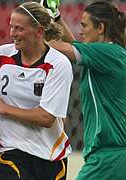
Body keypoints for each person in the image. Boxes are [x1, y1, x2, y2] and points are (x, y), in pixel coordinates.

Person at [0, 2, 73, 179]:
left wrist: (4, 108)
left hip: (49, 155)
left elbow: (46, 118)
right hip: (9, 149)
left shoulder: (58, 64)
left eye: (19, 28)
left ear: (39, 31)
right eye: (12, 27)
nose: (12, 33)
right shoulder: (2, 56)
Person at [45, 0, 126, 179]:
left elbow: (56, 47)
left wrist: (32, 30)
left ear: (100, 28)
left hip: (108, 157)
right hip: (111, 156)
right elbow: (72, 43)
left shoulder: (107, 52)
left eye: (84, 25)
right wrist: (56, 17)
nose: (80, 30)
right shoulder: (105, 54)